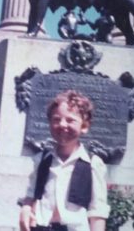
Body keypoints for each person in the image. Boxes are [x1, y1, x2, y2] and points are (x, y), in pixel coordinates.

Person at [19, 90, 110, 231]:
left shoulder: (93, 164)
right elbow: (31, 195)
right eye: (56, 119)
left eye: (70, 120)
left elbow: (97, 211)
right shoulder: (41, 161)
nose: (62, 124)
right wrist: (26, 208)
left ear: (84, 126)